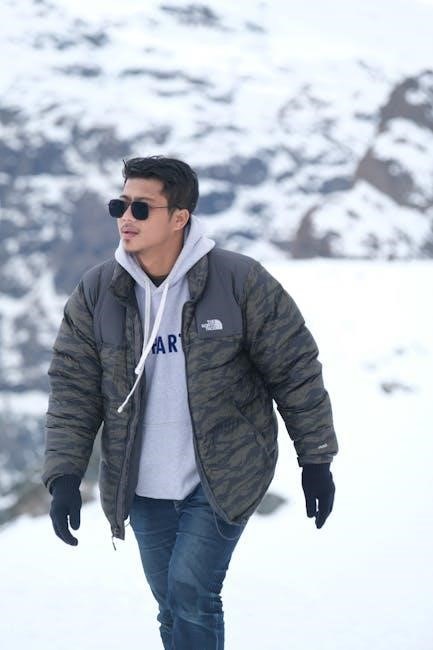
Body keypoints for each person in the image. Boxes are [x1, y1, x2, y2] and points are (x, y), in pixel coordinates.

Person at [42, 155, 338, 649]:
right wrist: (64, 476)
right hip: (142, 484)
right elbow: (73, 388)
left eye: (141, 208)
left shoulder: (239, 281)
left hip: (223, 476)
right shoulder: (98, 292)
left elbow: (295, 370)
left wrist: (316, 460)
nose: (125, 218)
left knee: (191, 593)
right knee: (171, 605)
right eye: (120, 205)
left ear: (180, 217)